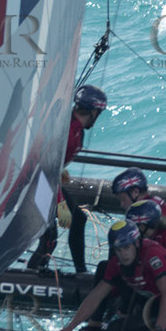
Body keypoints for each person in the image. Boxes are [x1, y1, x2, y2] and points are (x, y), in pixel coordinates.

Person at [54, 220, 166, 331]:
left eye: (126, 247)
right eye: (118, 249)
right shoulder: (117, 261)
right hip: (146, 298)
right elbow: (96, 295)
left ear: (136, 243)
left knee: (114, 330)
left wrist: (158, 329)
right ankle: (94, 327)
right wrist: (69, 328)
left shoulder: (153, 255)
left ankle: (145, 321)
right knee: (104, 267)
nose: (123, 254)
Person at [27, 84, 106, 273]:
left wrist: (59, 168)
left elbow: (50, 159)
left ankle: (81, 271)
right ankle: (31, 275)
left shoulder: (76, 128)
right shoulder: (67, 131)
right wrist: (60, 203)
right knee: (49, 238)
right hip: (36, 183)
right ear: (94, 111)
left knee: (78, 218)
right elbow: (44, 168)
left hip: (47, 181)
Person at [112, 166, 166, 259]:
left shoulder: (144, 212)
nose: (122, 204)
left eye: (123, 199)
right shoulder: (154, 204)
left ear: (135, 192)